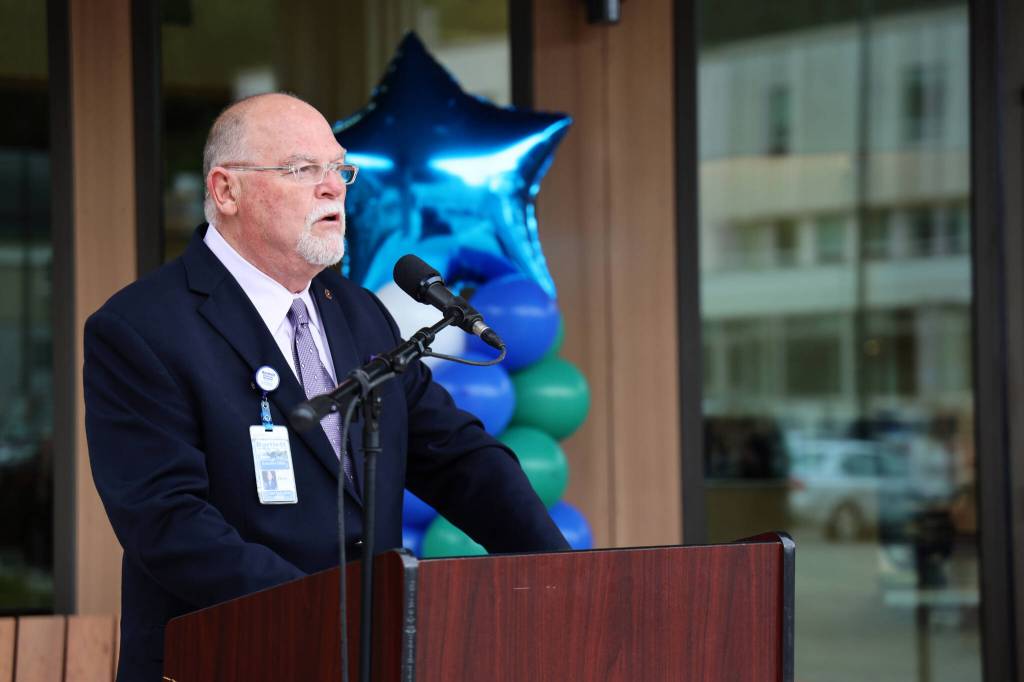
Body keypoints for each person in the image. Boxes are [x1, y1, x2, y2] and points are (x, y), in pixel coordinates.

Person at [84, 92, 569, 681]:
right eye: (300, 169)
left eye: (339, 168)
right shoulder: (142, 328)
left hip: (362, 659)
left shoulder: (359, 313)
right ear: (225, 190)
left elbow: (458, 457)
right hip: (225, 659)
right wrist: (324, 615)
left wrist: (560, 575)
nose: (332, 186)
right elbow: (167, 522)